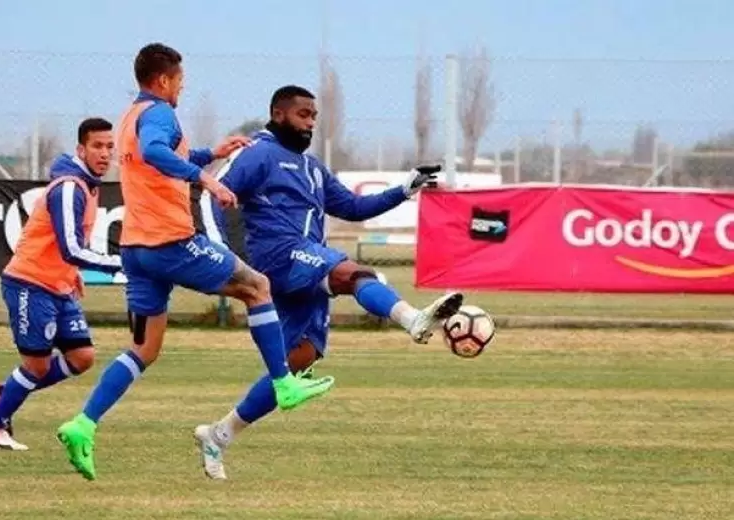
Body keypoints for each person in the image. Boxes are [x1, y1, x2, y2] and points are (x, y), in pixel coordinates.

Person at [56, 45, 335, 481]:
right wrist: (204, 178)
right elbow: (154, 152)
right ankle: (284, 382)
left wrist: (210, 154)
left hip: (137, 249)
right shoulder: (161, 112)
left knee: (144, 349)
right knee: (257, 286)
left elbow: (161, 158)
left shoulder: (130, 115)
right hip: (170, 242)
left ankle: (83, 424)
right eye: (180, 80)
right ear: (165, 80)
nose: (182, 87)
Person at [192, 85, 464, 479]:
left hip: (303, 264)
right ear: (279, 113)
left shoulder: (313, 168)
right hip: (279, 255)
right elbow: (213, 193)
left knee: (297, 363)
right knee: (354, 274)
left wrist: (404, 190)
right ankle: (414, 321)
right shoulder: (258, 154)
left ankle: (219, 435)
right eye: (303, 115)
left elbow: (353, 207)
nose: (311, 123)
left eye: (314, 117)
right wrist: (222, 253)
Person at [0, 117, 122, 451]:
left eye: (110, 147)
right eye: (97, 146)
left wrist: (72, 273)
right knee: (37, 365)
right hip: (29, 282)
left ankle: (5, 391)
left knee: (81, 357)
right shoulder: (70, 187)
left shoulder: (88, 186)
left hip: (58, 285)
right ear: (81, 149)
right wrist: (119, 264)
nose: (104, 153)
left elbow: (66, 245)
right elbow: (71, 247)